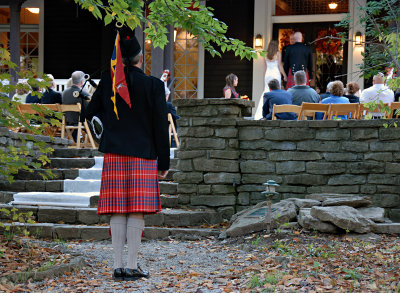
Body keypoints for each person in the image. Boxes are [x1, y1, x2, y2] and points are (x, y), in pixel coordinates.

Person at [85, 29, 170, 282]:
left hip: (114, 153)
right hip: (143, 155)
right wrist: (163, 162)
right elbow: (160, 126)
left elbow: (90, 114)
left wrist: (103, 129)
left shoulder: (108, 82)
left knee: (117, 210)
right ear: (140, 59)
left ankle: (117, 266)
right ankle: (131, 267)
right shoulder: (154, 85)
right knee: (136, 210)